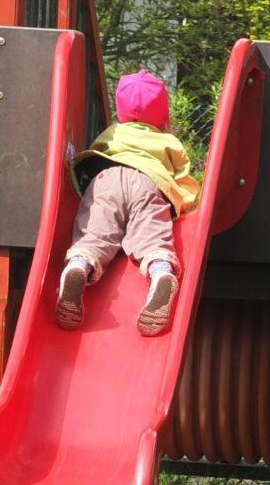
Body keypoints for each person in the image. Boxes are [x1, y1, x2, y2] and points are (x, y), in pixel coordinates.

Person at [55, 69, 200, 336]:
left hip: (105, 179)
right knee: (152, 239)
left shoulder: (112, 133)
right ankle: (161, 272)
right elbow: (183, 181)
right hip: (148, 182)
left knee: (94, 234)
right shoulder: (169, 142)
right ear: (164, 116)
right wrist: (186, 205)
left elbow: (97, 155)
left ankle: (79, 265)